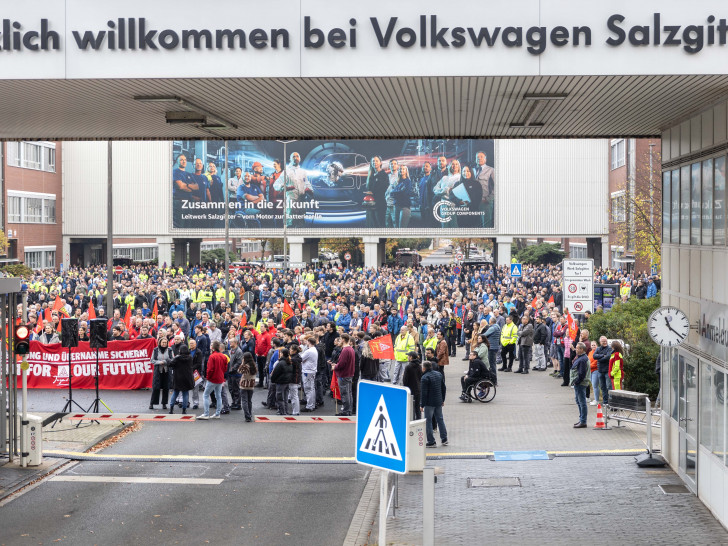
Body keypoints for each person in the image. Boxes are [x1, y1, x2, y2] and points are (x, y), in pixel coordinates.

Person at [273, 151, 313, 228]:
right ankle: (289, 239)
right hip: (291, 202)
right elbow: (276, 184)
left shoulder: (303, 172)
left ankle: (300, 239)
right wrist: (285, 188)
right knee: (290, 222)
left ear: (300, 159)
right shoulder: (287, 172)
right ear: (290, 159)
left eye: (297, 156)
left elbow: (307, 183)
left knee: (301, 222)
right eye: (293, 157)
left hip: (302, 201)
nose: (295, 158)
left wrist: (310, 190)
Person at [420, 361, 448, 447]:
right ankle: (444, 439)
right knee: (440, 419)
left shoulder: (425, 378)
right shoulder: (438, 374)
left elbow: (424, 393)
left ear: (424, 368)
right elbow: (443, 387)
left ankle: (431, 441)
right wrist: (442, 399)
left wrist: (422, 404)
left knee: (428, 421)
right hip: (438, 401)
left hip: (429, 402)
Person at [198, 341, 228, 420]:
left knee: (205, 395)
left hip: (212, 379)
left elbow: (210, 369)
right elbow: (225, 368)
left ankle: (206, 413)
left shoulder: (212, 356)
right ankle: (217, 413)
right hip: (220, 378)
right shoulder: (223, 356)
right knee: (218, 396)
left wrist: (208, 377)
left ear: (213, 347)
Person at [333, 333, 355, 416]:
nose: (339, 341)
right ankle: (348, 410)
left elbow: (342, 364)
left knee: (345, 393)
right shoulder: (351, 349)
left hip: (344, 374)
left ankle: (346, 411)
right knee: (348, 393)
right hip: (348, 374)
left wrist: (335, 367)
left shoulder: (345, 350)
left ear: (343, 340)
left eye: (340, 339)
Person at [168, 344, 195, 414]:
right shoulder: (190, 358)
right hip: (187, 378)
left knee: (175, 393)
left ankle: (171, 408)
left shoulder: (177, 358)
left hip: (178, 378)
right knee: (185, 394)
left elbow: (170, 364)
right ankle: (184, 409)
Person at [365, 155, 389, 229]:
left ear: (380, 163)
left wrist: (373, 192)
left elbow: (383, 188)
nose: (374, 162)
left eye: (376, 161)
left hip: (380, 204)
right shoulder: (371, 175)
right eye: (373, 161)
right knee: (374, 225)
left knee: (380, 225)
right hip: (371, 204)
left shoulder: (383, 175)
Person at [570, 342, 590, 428]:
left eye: (577, 348)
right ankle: (581, 419)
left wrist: (576, 382)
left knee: (582, 402)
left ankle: (583, 421)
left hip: (581, 383)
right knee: (578, 401)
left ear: (582, 349)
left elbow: (582, 374)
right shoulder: (581, 357)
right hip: (579, 383)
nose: (576, 349)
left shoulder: (582, 360)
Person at [472, 150, 495, 228]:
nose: (479, 158)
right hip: (474, 203)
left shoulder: (491, 170)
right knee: (476, 225)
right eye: (477, 157)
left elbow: (497, 186)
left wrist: (488, 199)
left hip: (485, 203)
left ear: (485, 159)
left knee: (486, 225)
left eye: (481, 157)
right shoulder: (472, 170)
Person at [149, 336, 172, 410]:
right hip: (158, 371)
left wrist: (165, 362)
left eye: (165, 342)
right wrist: (159, 362)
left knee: (166, 388)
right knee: (156, 388)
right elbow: (152, 360)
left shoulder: (170, 350)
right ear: (160, 343)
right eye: (163, 342)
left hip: (166, 371)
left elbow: (172, 359)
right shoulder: (155, 350)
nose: (164, 344)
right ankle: (152, 403)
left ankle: (164, 404)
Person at [270, 347, 293, 416]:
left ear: (282, 354)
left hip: (280, 382)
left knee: (279, 397)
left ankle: (282, 411)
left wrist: (273, 380)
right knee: (285, 398)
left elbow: (275, 373)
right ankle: (286, 411)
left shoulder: (280, 363)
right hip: (287, 382)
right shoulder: (289, 362)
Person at [238, 351, 257, 422]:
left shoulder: (245, 366)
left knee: (244, 401)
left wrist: (242, 363)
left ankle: (247, 416)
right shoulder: (254, 365)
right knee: (249, 401)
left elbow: (239, 371)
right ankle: (250, 414)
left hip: (244, 385)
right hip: (251, 385)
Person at [593, 336, 612, 406]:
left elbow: (608, 357)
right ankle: (605, 402)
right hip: (600, 371)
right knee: (603, 387)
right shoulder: (598, 348)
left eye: (605, 341)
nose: (604, 342)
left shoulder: (609, 348)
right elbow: (594, 356)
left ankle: (611, 402)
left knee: (609, 387)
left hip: (607, 370)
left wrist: (599, 358)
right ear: (600, 342)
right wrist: (602, 355)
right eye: (603, 341)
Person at [402, 351, 423, 419]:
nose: (408, 357)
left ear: (411, 357)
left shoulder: (408, 367)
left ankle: (412, 421)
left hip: (411, 390)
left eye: (408, 356)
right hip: (418, 389)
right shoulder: (419, 366)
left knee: (411, 408)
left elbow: (405, 380)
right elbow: (421, 377)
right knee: (417, 408)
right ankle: (419, 421)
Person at [301, 336, 318, 412]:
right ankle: (312, 405)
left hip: (307, 371)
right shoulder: (314, 349)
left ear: (309, 342)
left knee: (308, 389)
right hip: (312, 370)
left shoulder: (309, 351)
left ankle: (309, 406)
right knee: (311, 389)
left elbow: (301, 359)